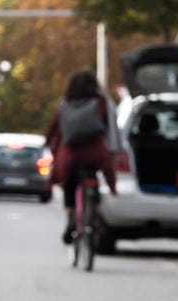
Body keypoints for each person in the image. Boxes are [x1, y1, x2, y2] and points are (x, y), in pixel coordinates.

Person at [44, 71, 119, 246]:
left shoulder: (65, 103)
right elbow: (110, 129)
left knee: (69, 184)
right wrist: (112, 151)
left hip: (70, 154)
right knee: (95, 179)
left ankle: (71, 216)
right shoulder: (101, 102)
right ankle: (96, 211)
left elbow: (53, 129)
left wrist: (48, 144)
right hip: (95, 152)